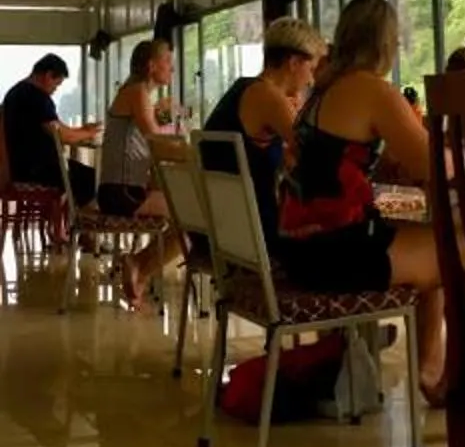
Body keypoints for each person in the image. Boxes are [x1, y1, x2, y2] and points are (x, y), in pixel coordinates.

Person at [276, 0, 453, 399]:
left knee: (431, 224)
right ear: (387, 43)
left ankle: (433, 365)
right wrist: (463, 155)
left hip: (299, 244)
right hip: (334, 253)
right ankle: (437, 373)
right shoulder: (374, 90)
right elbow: (432, 164)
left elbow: (345, 167)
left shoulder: (323, 90)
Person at [200, 17, 325, 255]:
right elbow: (314, 157)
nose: (311, 79)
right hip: (254, 238)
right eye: (312, 68)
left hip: (222, 229)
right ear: (294, 62)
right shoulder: (268, 97)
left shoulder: (245, 88)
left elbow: (288, 159)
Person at [94, 39, 184, 308]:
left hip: (121, 189)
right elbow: (154, 138)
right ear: (151, 65)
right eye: (168, 61)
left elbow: (152, 136)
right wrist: (183, 137)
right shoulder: (137, 93)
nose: (173, 68)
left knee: (188, 217)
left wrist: (168, 121)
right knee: (192, 223)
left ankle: (140, 268)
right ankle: (140, 269)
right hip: (121, 193)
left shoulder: (138, 94)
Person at [4, 54, 101, 205]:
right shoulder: (37, 97)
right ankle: (82, 220)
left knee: (80, 173)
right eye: (56, 84)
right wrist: (89, 133)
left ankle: (74, 216)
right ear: (48, 75)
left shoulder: (15, 92)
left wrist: (81, 130)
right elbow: (61, 135)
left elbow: (56, 127)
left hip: (18, 167)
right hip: (37, 170)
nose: (55, 90)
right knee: (95, 178)